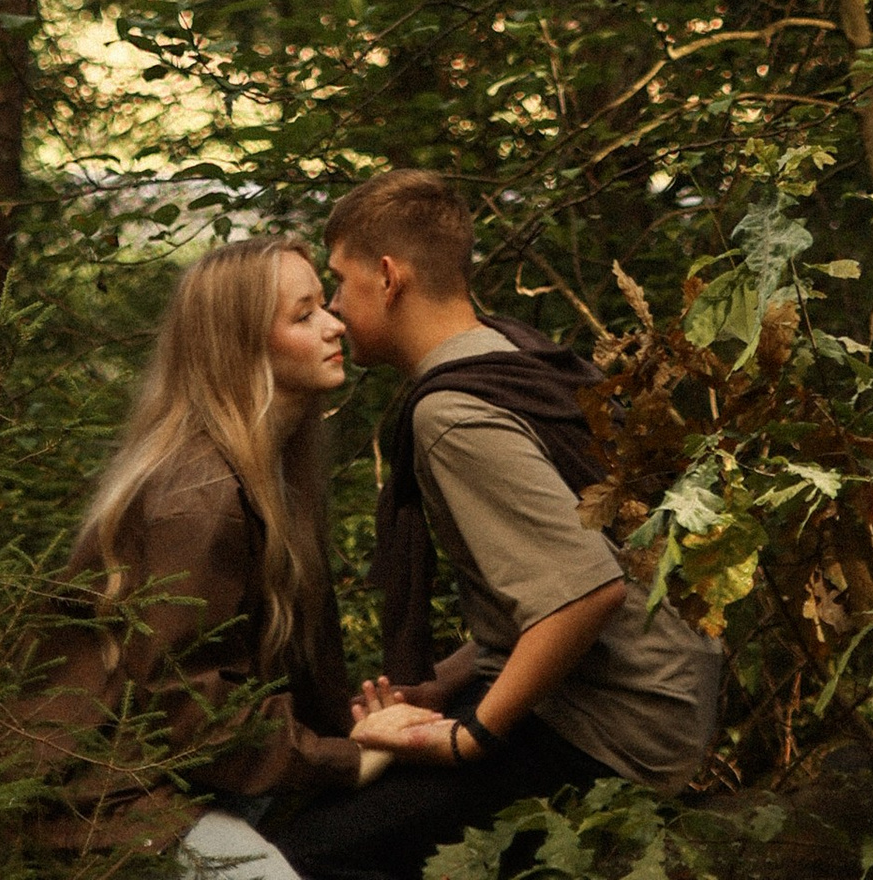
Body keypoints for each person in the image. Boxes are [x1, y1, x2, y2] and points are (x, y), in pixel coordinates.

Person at [277, 170, 720, 880]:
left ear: (388, 277)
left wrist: (471, 735)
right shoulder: (509, 350)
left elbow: (584, 592)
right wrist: (445, 686)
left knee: (309, 857)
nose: (333, 308)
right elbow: (559, 574)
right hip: (657, 696)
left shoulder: (453, 414)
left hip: (612, 732)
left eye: (339, 282)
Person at [21, 236, 390, 872]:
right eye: (302, 316)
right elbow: (182, 705)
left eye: (323, 306)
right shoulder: (199, 494)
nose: (335, 325)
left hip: (187, 777)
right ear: (241, 347)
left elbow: (297, 671)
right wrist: (352, 760)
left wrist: (360, 730)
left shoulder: (274, 477)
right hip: (104, 796)